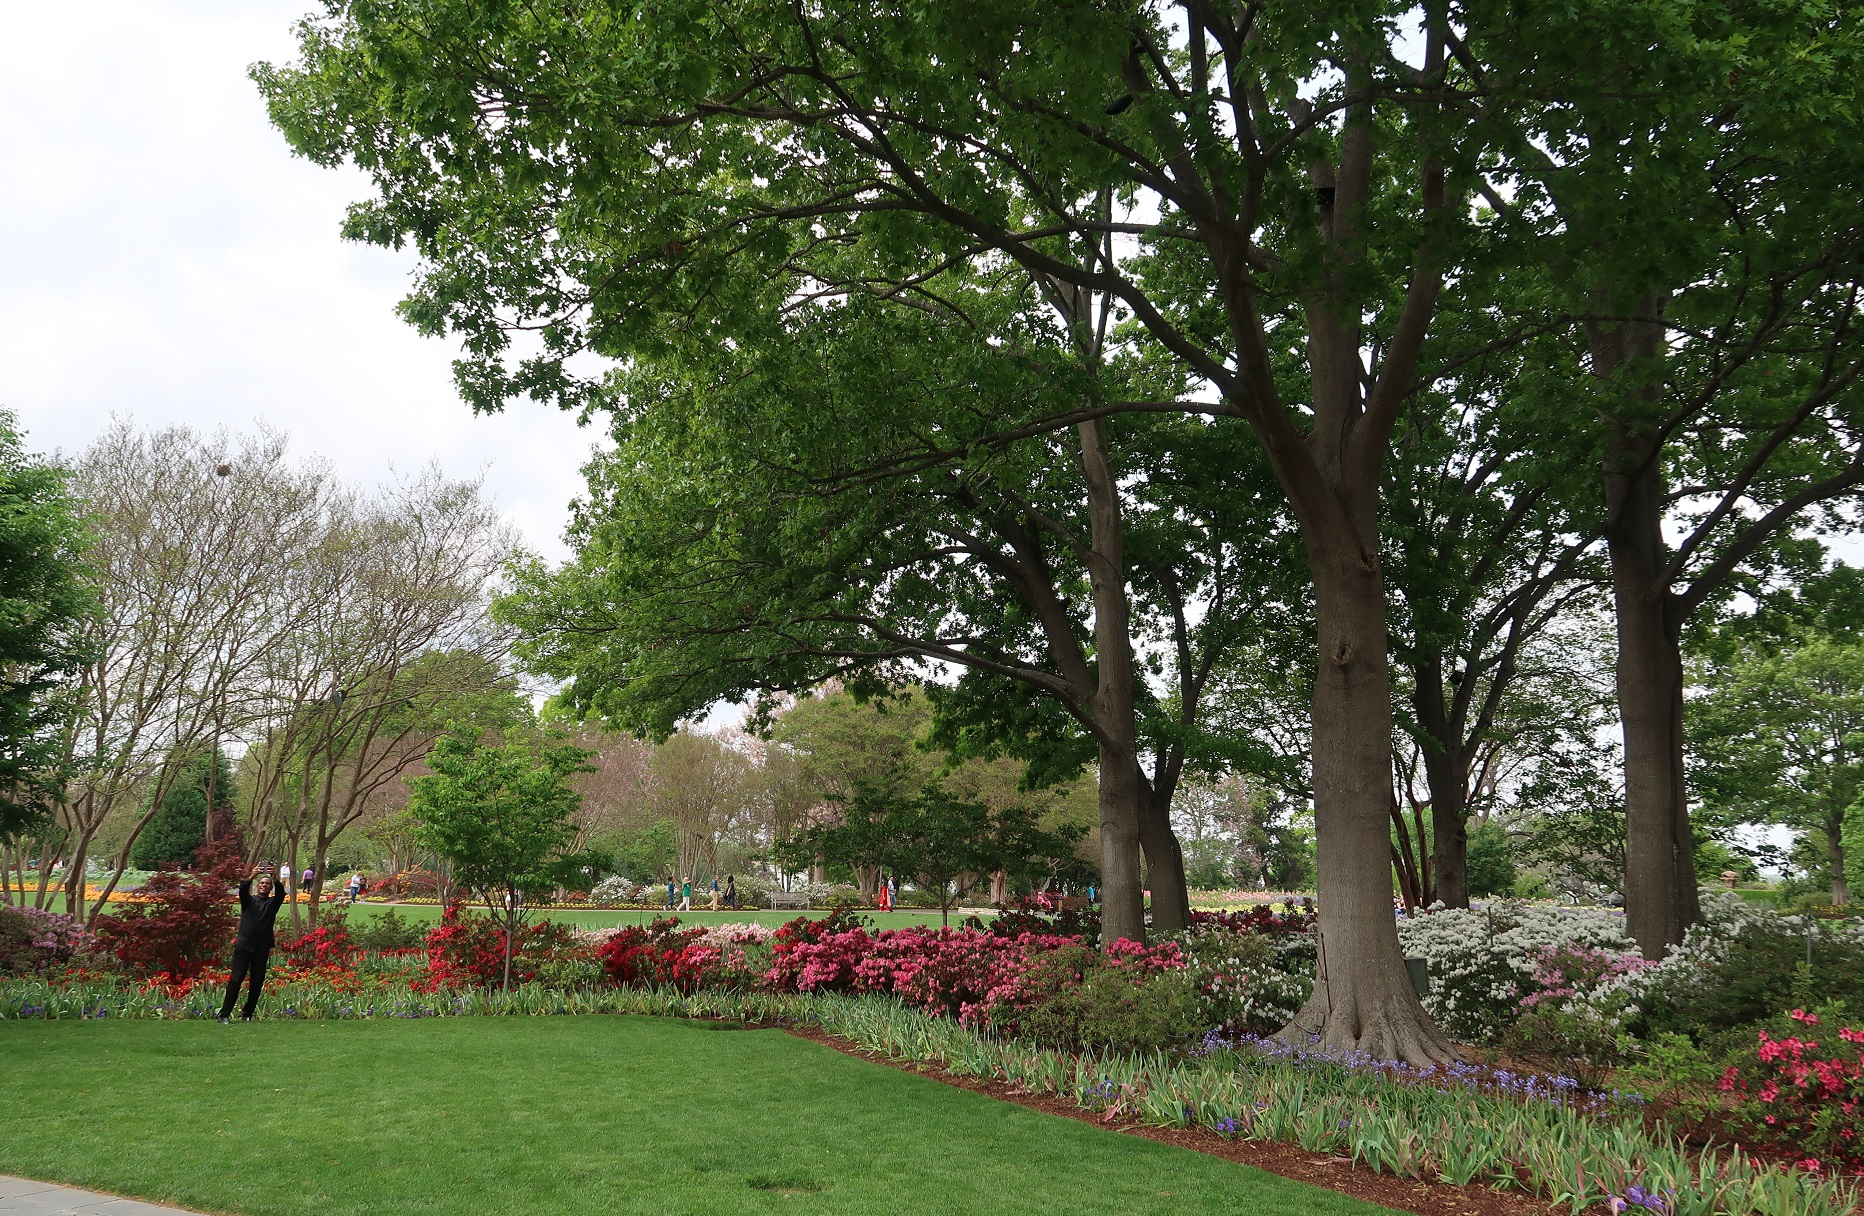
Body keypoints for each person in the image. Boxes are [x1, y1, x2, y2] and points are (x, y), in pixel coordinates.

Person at [219, 864, 287, 1023]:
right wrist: (252, 876)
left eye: (267, 884)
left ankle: (247, 1013)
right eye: (261, 883)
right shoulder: (248, 901)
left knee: (257, 981)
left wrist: (275, 878)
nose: (264, 885)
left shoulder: (272, 904)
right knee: (236, 979)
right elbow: (243, 890)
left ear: (270, 888)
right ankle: (224, 1015)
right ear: (257, 886)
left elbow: (281, 893)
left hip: (262, 947)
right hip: (244, 945)